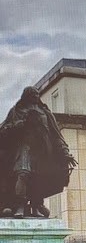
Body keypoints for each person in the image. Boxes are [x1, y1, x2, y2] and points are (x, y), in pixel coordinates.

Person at [0, 86, 77, 217]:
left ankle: (36, 205)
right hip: (24, 147)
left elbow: (56, 135)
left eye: (37, 94)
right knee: (23, 174)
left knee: (39, 178)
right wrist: (18, 125)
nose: (36, 96)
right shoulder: (17, 110)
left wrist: (65, 153)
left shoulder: (45, 113)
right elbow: (3, 131)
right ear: (26, 95)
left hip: (42, 150)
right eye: (32, 94)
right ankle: (19, 205)